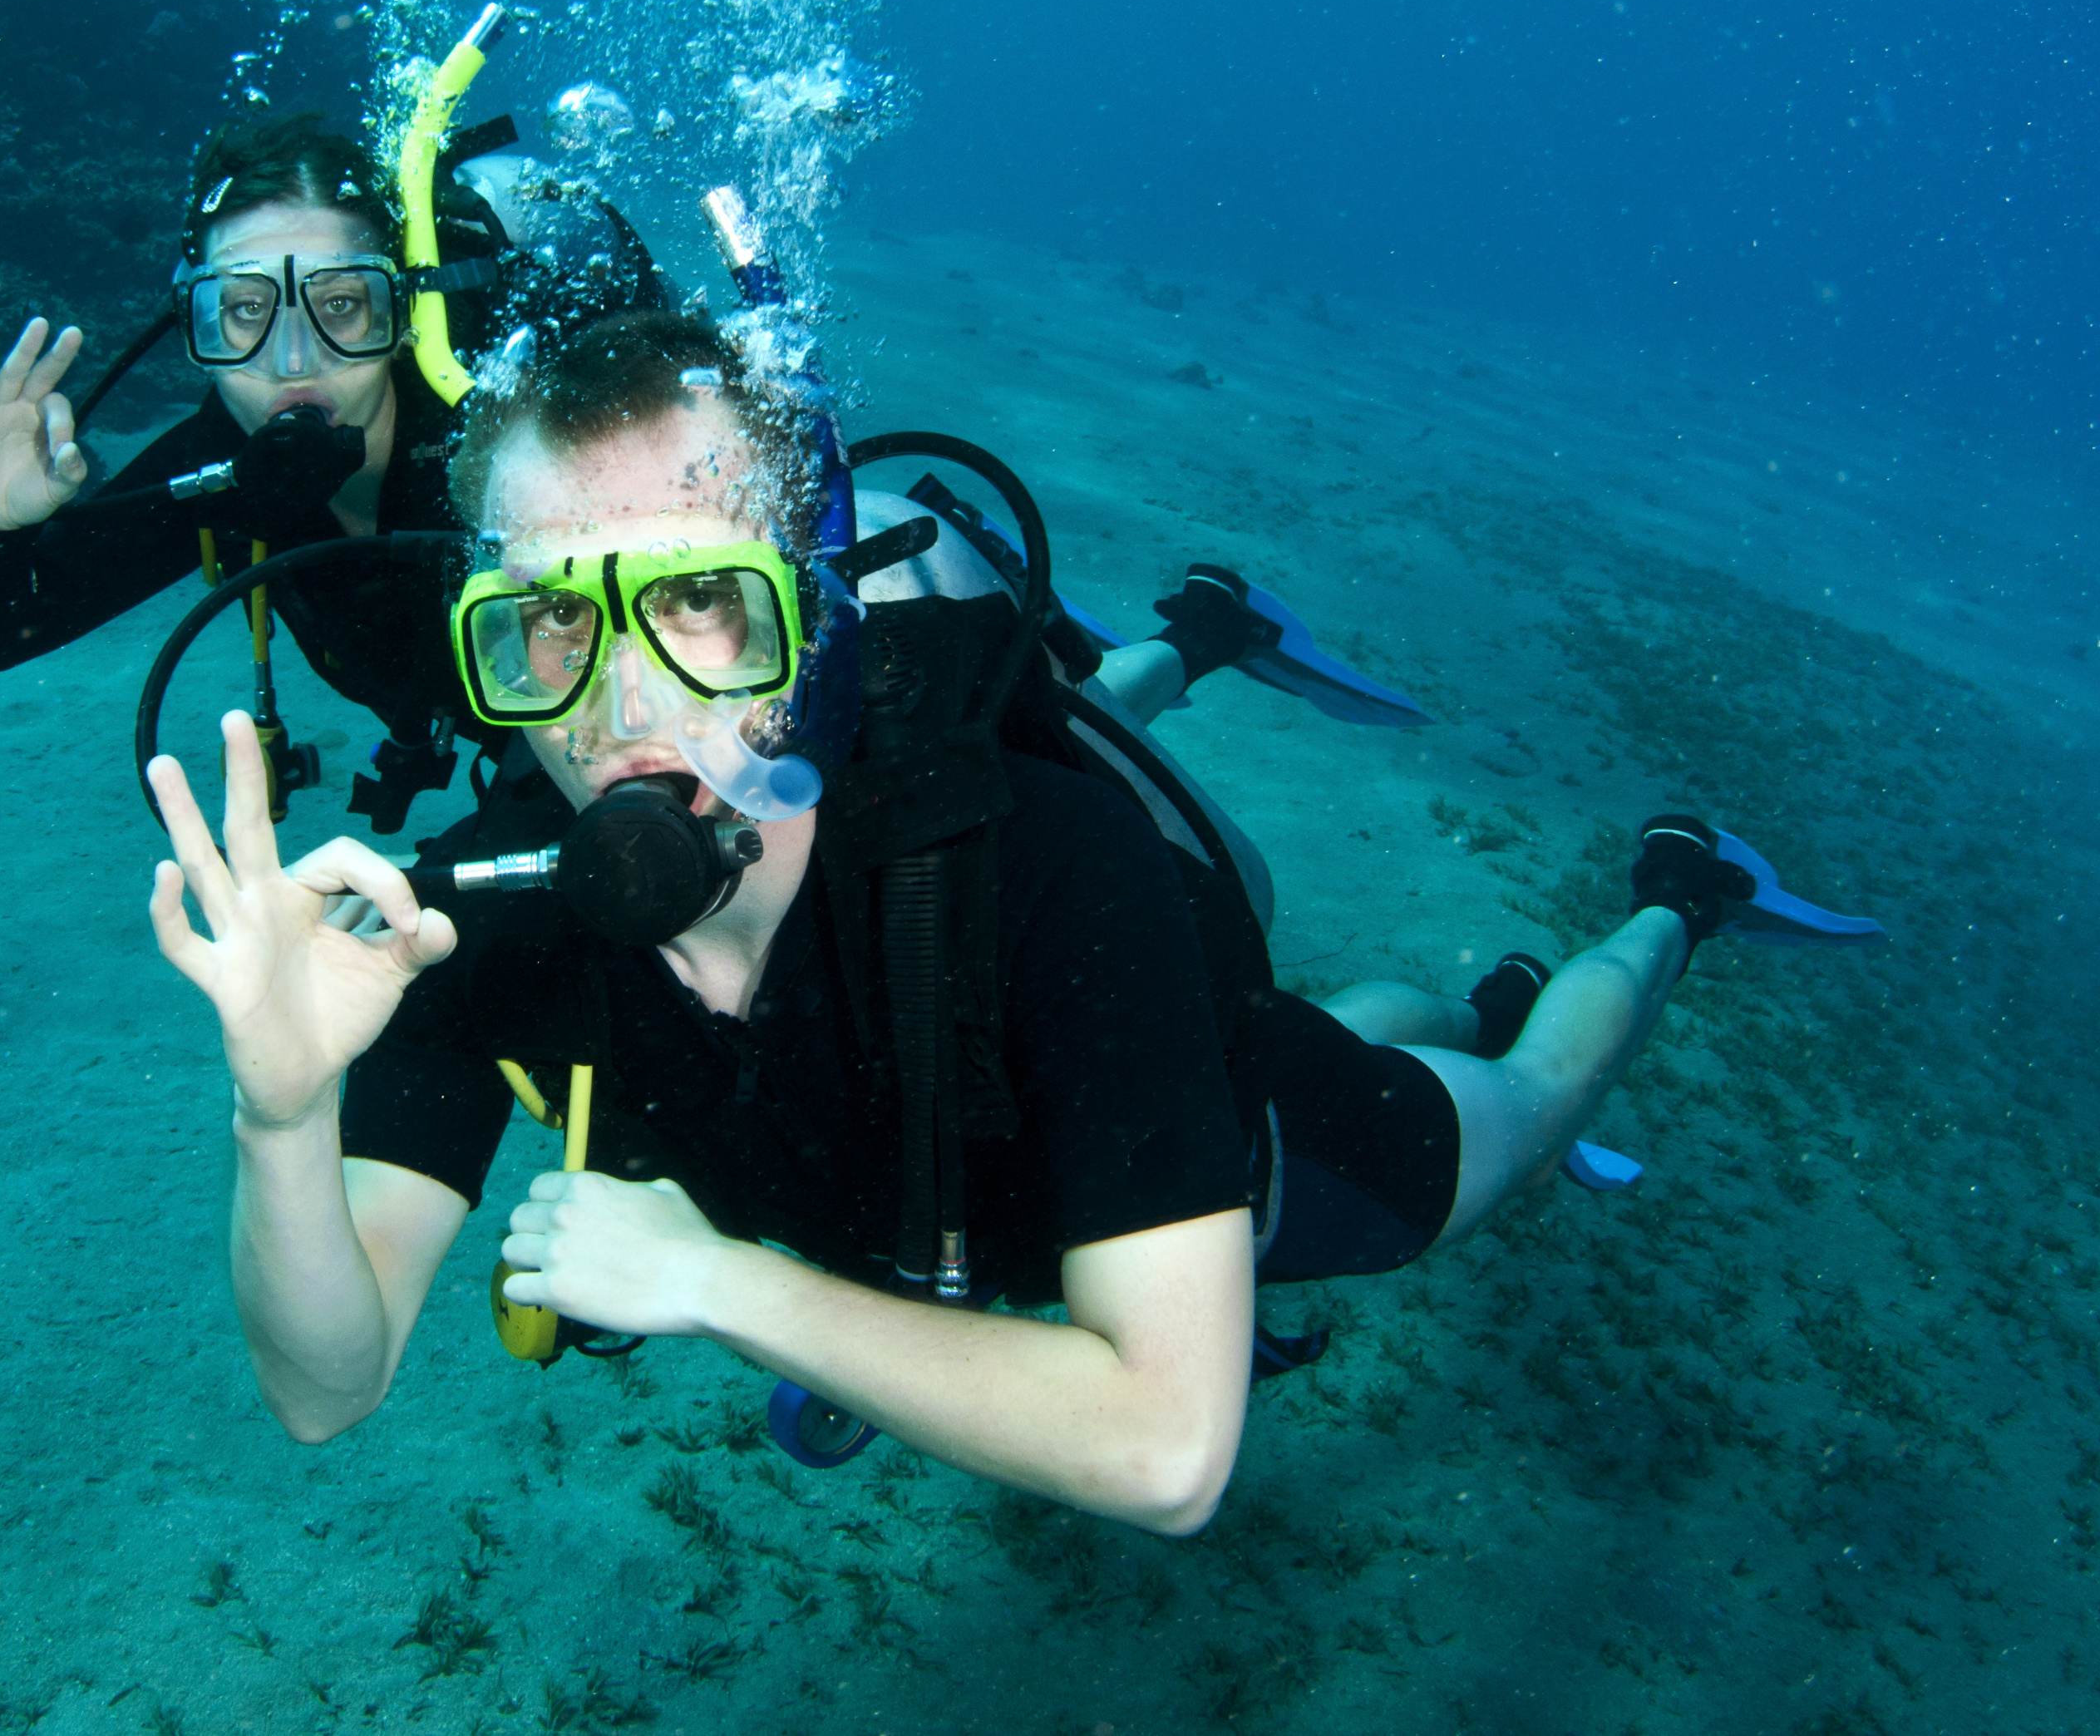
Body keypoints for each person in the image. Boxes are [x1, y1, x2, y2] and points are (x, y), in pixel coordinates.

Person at [139, 314, 1872, 1532]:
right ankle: (1277, 774)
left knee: (1504, 1119)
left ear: (811, 637)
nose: (618, 713)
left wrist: (724, 1288)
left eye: (702, 614)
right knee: (1363, 1015)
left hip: (1207, 1147)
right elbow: (322, 1387)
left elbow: (1169, 1448)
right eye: (541, 632)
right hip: (923, 1220)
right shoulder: (467, 929)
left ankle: (1675, 896)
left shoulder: (1039, 868)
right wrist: (281, 1117)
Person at [0, 114, 669, 826]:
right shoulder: (220, 463)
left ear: (403, 312)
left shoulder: (499, 434)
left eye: (341, 304)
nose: (292, 360)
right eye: (247, 311)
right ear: (200, 327)